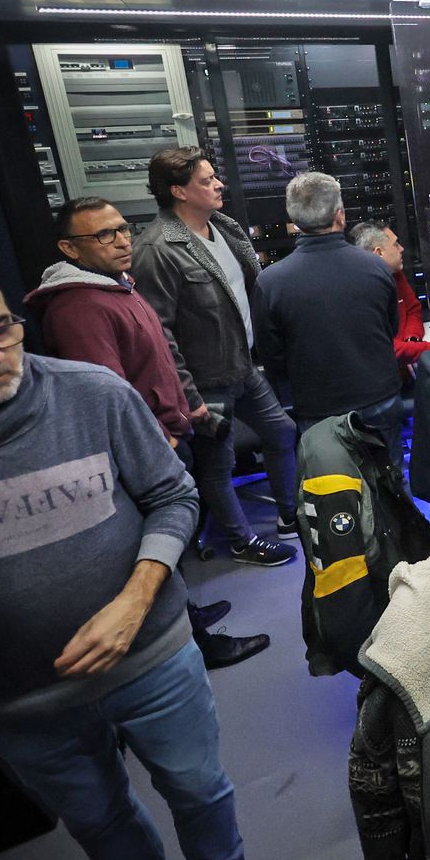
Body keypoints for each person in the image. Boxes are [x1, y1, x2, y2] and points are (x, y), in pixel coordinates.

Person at [0, 258, 255, 860]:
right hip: (20, 700)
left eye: (2, 328)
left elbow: (172, 495)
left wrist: (135, 601)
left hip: (153, 657)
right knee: (100, 822)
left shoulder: (91, 394)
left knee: (200, 790)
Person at [27, 196, 270, 669]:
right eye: (104, 235)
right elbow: (107, 393)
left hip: (169, 434)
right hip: (149, 448)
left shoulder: (118, 287)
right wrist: (163, 439)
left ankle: (189, 614)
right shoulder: (80, 308)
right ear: (68, 248)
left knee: (178, 550)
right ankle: (194, 643)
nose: (121, 241)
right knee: (161, 549)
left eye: (122, 230)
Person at [133, 146, 297, 566]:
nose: (219, 184)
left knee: (280, 432)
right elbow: (159, 333)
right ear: (178, 192)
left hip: (243, 366)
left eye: (214, 176)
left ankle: (288, 514)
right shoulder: (156, 249)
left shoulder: (222, 226)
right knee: (217, 463)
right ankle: (241, 541)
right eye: (206, 181)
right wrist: (189, 398)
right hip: (206, 380)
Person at [254, 174, 404, 468]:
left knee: (334, 496)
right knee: (392, 487)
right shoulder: (376, 267)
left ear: (294, 220)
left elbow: (272, 357)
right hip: (379, 397)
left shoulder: (270, 282)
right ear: (340, 215)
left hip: (317, 409)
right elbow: (391, 329)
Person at [346, 221, 430, 376]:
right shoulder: (358, 293)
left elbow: (412, 309)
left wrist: (412, 340)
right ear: (379, 253)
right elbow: (385, 347)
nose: (402, 249)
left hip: (406, 362)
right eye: (395, 245)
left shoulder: (395, 273)